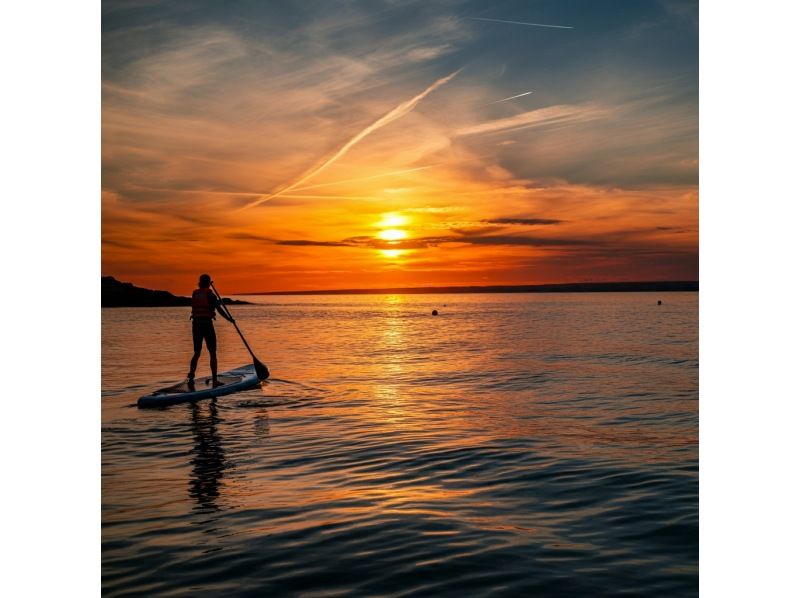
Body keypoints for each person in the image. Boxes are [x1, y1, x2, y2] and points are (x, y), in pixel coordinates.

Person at [187, 274, 235, 387]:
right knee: (212, 352)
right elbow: (219, 309)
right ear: (209, 283)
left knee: (197, 352)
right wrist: (229, 319)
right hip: (206, 325)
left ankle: (191, 377)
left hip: (196, 325)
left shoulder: (195, 293)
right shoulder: (210, 295)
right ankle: (215, 380)